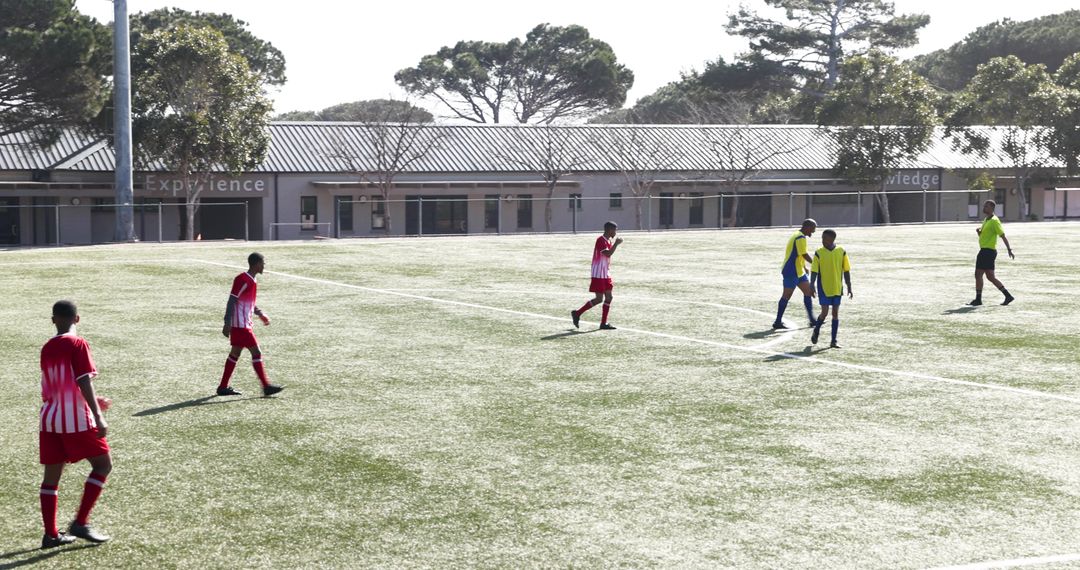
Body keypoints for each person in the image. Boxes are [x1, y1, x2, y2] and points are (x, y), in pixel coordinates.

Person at [38, 300, 112, 548]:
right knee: (103, 465)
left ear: (53, 320)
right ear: (77, 319)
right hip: (75, 419)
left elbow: (53, 388)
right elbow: (83, 381)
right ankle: (80, 522)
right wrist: (97, 413)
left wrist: (92, 400)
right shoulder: (78, 343)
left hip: (49, 419)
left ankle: (50, 535)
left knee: (51, 478)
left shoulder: (47, 347)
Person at [217, 252, 284, 397]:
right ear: (256, 264)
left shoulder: (252, 280)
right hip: (241, 326)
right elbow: (231, 301)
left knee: (235, 354)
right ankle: (266, 386)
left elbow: (250, 303)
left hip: (243, 324)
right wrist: (226, 322)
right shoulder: (242, 279)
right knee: (256, 352)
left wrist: (260, 314)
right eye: (262, 263)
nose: (264, 266)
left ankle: (222, 387)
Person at [571, 221, 622, 330]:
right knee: (599, 299)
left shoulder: (608, 241)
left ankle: (603, 323)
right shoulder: (600, 240)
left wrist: (614, 244)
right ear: (609, 230)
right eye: (614, 230)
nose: (615, 232)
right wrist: (616, 244)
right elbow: (607, 253)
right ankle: (577, 313)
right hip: (598, 274)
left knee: (609, 297)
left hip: (606, 273)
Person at [809, 230, 853, 348]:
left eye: (825, 239)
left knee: (835, 313)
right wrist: (811, 284)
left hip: (837, 288)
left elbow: (846, 270)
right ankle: (816, 330)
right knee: (824, 313)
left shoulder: (841, 251)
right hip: (824, 287)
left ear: (832, 240)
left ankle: (833, 341)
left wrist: (849, 285)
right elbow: (814, 270)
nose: (822, 241)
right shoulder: (819, 253)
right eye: (822, 238)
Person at [773, 218, 818, 329]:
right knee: (786, 296)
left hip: (799, 271)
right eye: (812, 230)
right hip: (791, 271)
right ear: (806, 227)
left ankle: (812, 320)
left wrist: (804, 267)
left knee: (808, 292)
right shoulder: (800, 237)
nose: (812, 233)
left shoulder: (798, 235)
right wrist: (816, 264)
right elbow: (804, 254)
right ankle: (777, 322)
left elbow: (797, 254)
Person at [969, 200, 1015, 306]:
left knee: (978, 274)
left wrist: (1009, 249)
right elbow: (984, 237)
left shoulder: (994, 221)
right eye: (984, 206)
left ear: (992, 208)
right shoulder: (986, 219)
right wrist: (979, 233)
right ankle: (1008, 296)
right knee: (990, 277)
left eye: (986, 206)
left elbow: (1002, 235)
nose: (984, 208)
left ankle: (978, 299)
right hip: (985, 251)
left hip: (988, 252)